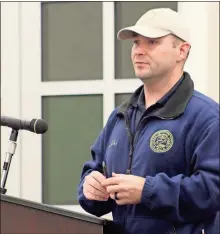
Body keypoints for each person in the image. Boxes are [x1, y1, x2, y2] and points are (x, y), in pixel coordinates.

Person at [77, 8, 220, 234]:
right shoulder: (120, 117)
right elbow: (93, 174)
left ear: (181, 51)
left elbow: (213, 189)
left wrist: (147, 191)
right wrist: (90, 188)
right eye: (136, 42)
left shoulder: (208, 117)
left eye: (152, 42)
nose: (139, 51)